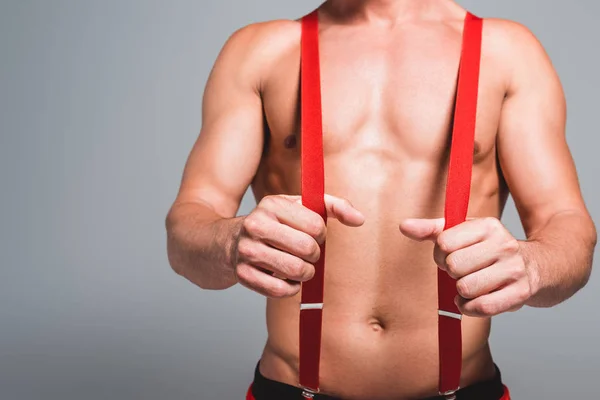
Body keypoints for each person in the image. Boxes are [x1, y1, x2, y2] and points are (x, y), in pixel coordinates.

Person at [165, 1, 596, 399]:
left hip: (463, 390)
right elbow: (187, 228)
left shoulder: (508, 53)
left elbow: (567, 225)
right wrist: (230, 240)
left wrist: (533, 265)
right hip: (292, 388)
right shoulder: (260, 51)